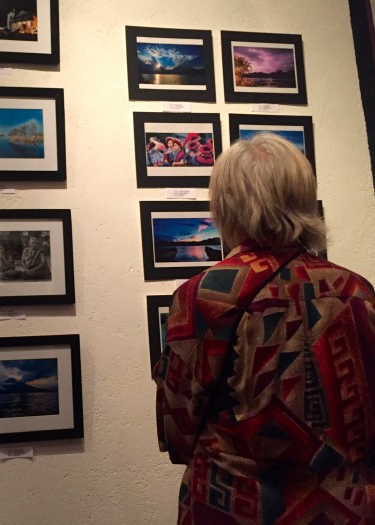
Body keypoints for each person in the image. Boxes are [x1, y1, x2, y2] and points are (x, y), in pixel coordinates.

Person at [154, 133, 375, 523]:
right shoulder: (357, 290)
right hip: (345, 507)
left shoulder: (205, 295)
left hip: (237, 506)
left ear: (226, 203)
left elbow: (177, 429)